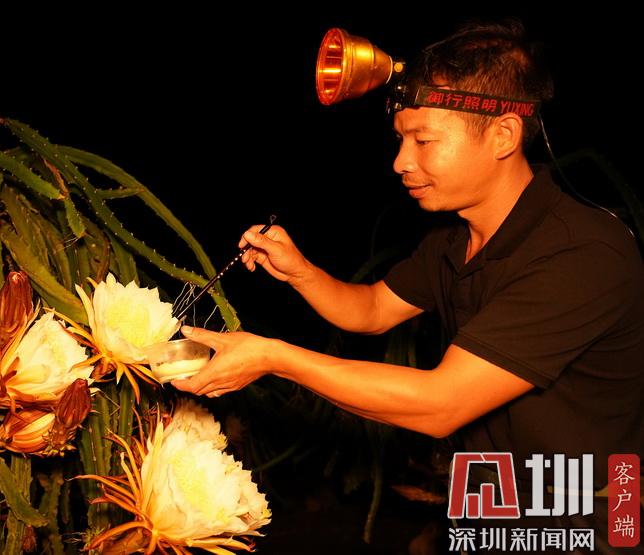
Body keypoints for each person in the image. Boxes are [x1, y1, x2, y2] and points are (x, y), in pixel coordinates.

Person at [172, 20, 644, 551]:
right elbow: (372, 309)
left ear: (503, 136)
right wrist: (301, 272)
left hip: (588, 518)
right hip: (491, 505)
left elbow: (443, 403)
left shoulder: (581, 253)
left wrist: (274, 357)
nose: (401, 162)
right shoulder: (455, 239)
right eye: (401, 140)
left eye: (424, 140)